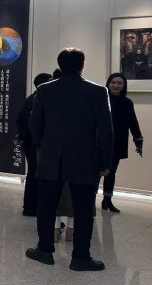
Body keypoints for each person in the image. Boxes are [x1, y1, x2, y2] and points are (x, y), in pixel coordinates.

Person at [26, 48, 113, 271]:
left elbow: (34, 124)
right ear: (82, 65)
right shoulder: (97, 91)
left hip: (50, 157)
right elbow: (106, 130)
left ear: (60, 65)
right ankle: (80, 257)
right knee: (83, 209)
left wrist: (43, 146)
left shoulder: (44, 90)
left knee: (46, 206)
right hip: (84, 158)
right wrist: (105, 162)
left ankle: (44, 250)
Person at [102, 73, 143, 213]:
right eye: (113, 82)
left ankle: (107, 200)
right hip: (101, 142)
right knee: (97, 172)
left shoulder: (127, 103)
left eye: (119, 83)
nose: (116, 85)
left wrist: (138, 141)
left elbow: (133, 122)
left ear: (124, 85)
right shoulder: (102, 100)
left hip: (118, 141)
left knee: (112, 172)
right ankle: (90, 201)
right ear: (108, 83)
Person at [17, 73, 54, 216]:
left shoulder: (36, 98)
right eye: (51, 81)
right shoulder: (35, 100)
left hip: (33, 142)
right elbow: (27, 123)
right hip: (34, 143)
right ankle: (31, 207)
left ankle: (33, 206)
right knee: (35, 174)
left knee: (35, 174)